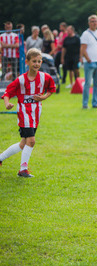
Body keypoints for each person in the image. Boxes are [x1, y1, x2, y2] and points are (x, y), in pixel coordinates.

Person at [0, 48, 56, 177]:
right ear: (27, 62)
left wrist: (44, 97)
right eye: (34, 61)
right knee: (31, 141)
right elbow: (8, 92)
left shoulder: (44, 77)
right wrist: (7, 104)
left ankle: (1, 158)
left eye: (39, 61)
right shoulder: (21, 80)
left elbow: (52, 88)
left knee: (23, 143)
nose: (36, 64)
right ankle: (23, 170)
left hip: (36, 113)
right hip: (24, 113)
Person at [80, 14, 97, 109]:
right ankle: (85, 104)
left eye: (95, 21)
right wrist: (88, 59)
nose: (94, 23)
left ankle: (95, 103)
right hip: (90, 62)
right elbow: (83, 48)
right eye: (92, 21)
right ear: (89, 23)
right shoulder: (85, 34)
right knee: (87, 84)